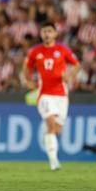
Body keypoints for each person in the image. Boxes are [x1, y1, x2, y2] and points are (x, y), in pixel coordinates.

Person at [23, 22, 80, 170]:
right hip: (45, 94)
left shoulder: (62, 49)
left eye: (49, 31)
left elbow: (76, 65)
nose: (47, 34)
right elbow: (26, 66)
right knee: (50, 124)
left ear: (55, 33)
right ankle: (54, 161)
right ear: (41, 34)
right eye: (44, 31)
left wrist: (70, 75)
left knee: (57, 130)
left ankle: (49, 139)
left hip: (62, 95)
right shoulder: (35, 51)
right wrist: (28, 81)